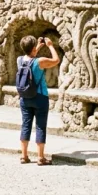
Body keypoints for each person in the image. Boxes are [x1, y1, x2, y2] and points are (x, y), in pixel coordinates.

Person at [17, 35, 60, 165]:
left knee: (26, 125)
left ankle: (24, 156)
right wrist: (50, 45)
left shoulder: (19, 60)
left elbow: (30, 58)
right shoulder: (40, 61)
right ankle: (40, 157)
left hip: (24, 97)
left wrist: (38, 47)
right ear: (33, 49)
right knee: (40, 126)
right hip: (40, 96)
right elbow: (56, 60)